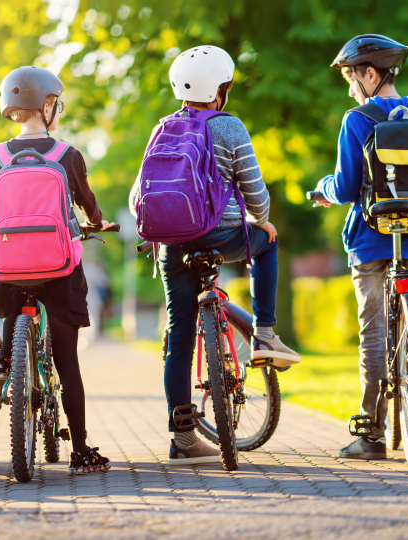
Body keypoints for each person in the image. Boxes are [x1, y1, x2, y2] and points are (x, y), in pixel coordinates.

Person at [129, 45, 301, 465]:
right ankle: (265, 331)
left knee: (180, 335)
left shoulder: (162, 128)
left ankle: (183, 438)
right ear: (221, 89)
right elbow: (256, 194)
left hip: (172, 244)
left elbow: (138, 196)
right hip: (222, 236)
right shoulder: (230, 127)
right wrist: (262, 220)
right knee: (269, 242)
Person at [315, 35, 408, 459]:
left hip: (371, 241)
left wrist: (321, 190)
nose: (349, 88)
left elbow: (343, 187)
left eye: (350, 78)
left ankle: (372, 434)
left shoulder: (357, 119)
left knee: (373, 333)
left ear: (370, 74)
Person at [0, 66, 112, 474]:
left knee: (11, 297)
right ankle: (81, 452)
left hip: (7, 267)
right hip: (58, 268)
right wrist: (97, 222)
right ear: (48, 105)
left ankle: (6, 358)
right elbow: (87, 204)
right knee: (67, 361)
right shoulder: (66, 155)